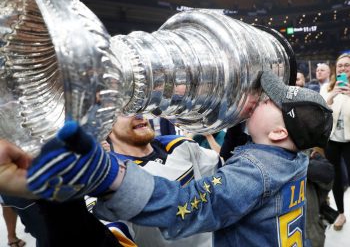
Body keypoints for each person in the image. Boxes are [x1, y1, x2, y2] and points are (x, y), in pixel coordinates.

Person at [26, 70, 333, 247]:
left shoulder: (179, 146)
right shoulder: (289, 159)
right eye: (122, 108)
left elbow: (218, 188)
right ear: (101, 125)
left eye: (265, 101)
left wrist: (111, 177)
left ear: (279, 133)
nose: (136, 111)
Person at [102, 113, 221, 247]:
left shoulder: (181, 144)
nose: (138, 114)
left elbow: (226, 177)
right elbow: (112, 233)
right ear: (106, 125)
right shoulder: (110, 175)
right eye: (125, 112)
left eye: (138, 108)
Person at [322, 53, 350, 231]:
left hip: (349, 140)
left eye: (347, 65)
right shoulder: (327, 87)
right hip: (332, 140)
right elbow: (319, 110)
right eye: (340, 66)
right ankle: (340, 213)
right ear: (335, 68)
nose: (343, 69)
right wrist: (331, 95)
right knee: (336, 179)